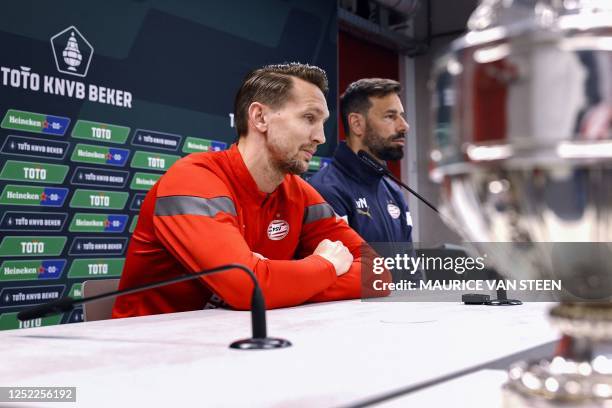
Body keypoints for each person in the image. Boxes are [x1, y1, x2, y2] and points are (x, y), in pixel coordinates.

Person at [112, 63, 386, 318]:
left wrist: (278, 285)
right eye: (308, 118)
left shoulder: (299, 193)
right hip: (145, 355)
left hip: (234, 346)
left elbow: (378, 273)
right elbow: (248, 288)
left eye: (322, 122)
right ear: (260, 117)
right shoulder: (192, 180)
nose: (320, 137)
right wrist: (324, 266)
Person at [309, 78, 413, 244]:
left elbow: (409, 265)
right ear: (357, 124)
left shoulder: (394, 191)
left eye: (401, 116)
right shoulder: (324, 191)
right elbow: (338, 268)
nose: (404, 126)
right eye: (390, 116)